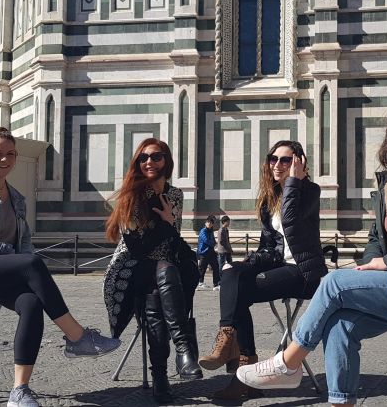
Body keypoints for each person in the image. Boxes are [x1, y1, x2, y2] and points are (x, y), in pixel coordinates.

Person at [236, 108, 387, 407]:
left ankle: (288, 363)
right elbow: (376, 238)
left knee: (336, 282)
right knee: (339, 324)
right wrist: (372, 263)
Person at [0, 127, 120, 407]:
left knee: (33, 303)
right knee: (32, 262)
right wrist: (7, 252)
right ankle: (77, 337)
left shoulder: (17, 198)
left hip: (1, 273)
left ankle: (19, 391)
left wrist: (19, 262)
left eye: (11, 154)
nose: (4, 159)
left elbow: (22, 246)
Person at [200, 140, 327, 401]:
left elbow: (291, 218)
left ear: (299, 163)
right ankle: (231, 348)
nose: (277, 165)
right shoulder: (269, 202)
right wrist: (245, 263)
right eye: (273, 159)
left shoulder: (309, 191)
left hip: (304, 273)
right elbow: (269, 248)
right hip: (281, 268)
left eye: (286, 160)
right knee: (231, 275)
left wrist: (293, 181)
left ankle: (239, 375)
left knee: (238, 293)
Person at [103, 139, 202, 403]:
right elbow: (138, 249)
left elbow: (169, 242)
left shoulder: (176, 195)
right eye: (143, 158)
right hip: (130, 268)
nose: (149, 162)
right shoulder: (130, 196)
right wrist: (167, 223)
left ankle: (160, 377)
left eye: (156, 157)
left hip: (162, 272)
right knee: (165, 273)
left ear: (166, 161)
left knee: (156, 298)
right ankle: (184, 349)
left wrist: (167, 227)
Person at [197, 215, 220, 289]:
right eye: (208, 222)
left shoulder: (211, 231)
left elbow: (213, 240)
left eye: (210, 222)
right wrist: (213, 243)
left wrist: (214, 243)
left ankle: (216, 284)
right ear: (205, 223)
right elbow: (206, 240)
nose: (209, 224)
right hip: (204, 252)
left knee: (216, 267)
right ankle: (200, 282)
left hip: (211, 251)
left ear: (212, 224)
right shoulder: (203, 231)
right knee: (202, 268)